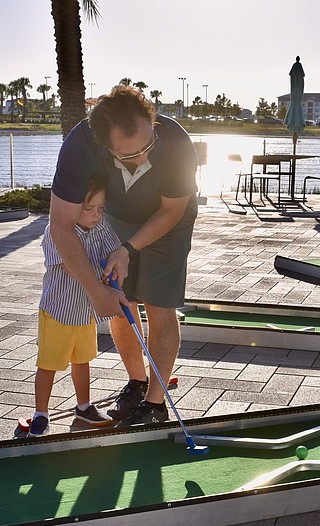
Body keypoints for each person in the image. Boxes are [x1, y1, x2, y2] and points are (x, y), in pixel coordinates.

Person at [49, 84, 199, 427]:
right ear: (104, 145)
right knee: (119, 301)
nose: (144, 156)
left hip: (168, 222)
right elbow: (61, 225)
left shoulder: (175, 142)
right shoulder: (80, 146)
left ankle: (155, 405)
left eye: (148, 145)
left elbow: (171, 211)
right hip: (115, 218)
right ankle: (137, 382)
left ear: (150, 120)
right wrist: (95, 289)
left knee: (160, 306)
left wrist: (128, 249)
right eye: (130, 154)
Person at [29, 179, 121, 436]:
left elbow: (114, 249)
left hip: (83, 311)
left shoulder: (100, 226)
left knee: (83, 360)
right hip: (58, 311)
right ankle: (41, 414)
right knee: (48, 364)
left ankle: (83, 407)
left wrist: (114, 266)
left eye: (100, 208)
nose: (96, 215)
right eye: (89, 208)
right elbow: (71, 264)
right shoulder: (56, 230)